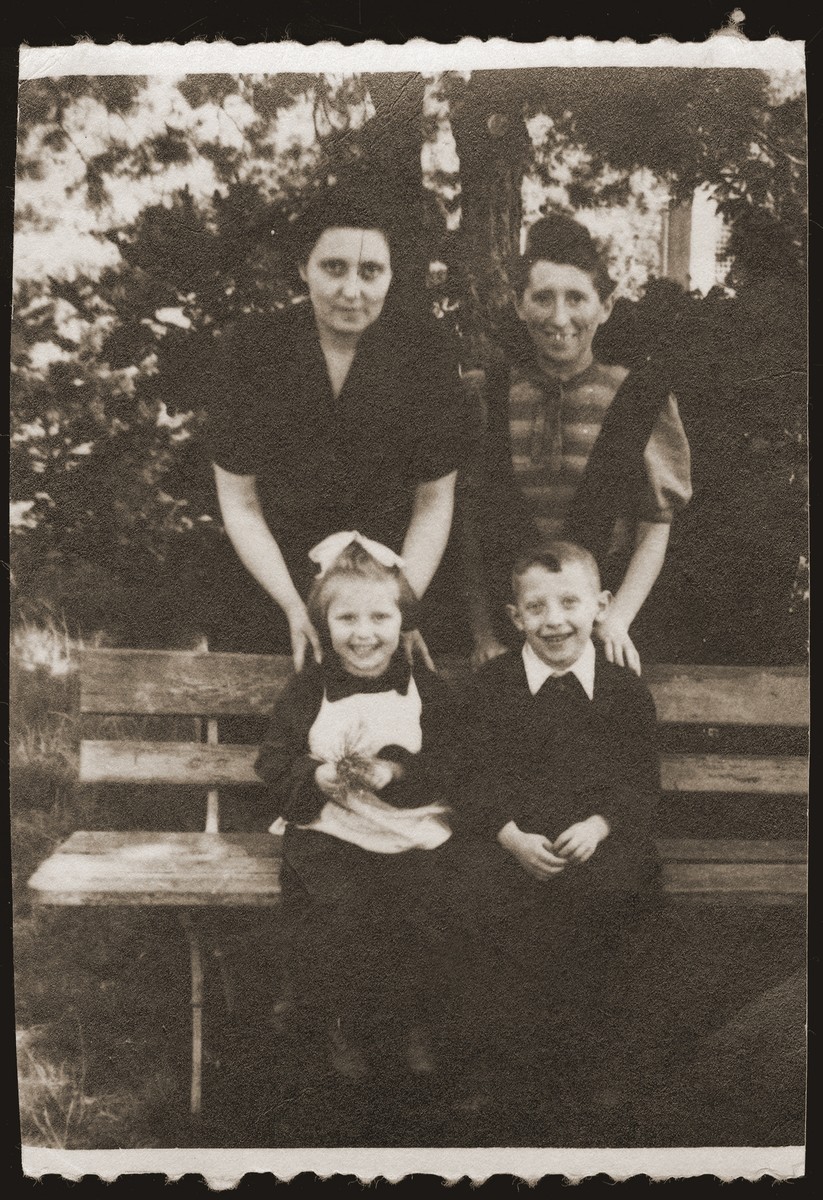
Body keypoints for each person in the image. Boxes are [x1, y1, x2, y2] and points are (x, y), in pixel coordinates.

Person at [208, 170, 466, 668]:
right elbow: (240, 501)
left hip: (392, 602)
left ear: (392, 273)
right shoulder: (251, 350)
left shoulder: (427, 353)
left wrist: (400, 607)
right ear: (304, 268)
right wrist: (291, 605)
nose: (352, 291)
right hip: (272, 593)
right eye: (334, 267)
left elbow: (433, 502)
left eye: (371, 271)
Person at [455, 541, 661, 1109]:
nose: (554, 621)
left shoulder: (623, 691)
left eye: (569, 602)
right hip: (513, 841)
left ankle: (600, 1063)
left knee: (617, 900)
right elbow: (468, 774)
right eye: (537, 608)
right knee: (480, 900)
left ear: (601, 605)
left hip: (598, 842)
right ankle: (498, 1068)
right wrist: (507, 834)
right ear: (515, 616)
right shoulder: (491, 688)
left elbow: (640, 781)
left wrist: (599, 824)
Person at [254, 534, 459, 1080]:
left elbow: (456, 759)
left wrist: (395, 770)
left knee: (426, 911)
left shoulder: (426, 690)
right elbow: (273, 762)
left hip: (409, 827)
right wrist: (316, 775)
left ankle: (414, 1023)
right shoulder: (308, 689)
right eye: (346, 619)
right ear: (324, 623)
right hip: (333, 827)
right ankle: (337, 1023)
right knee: (336, 914)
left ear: (403, 621)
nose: (364, 634)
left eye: (379, 618)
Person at [464, 212, 692, 674]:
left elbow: (655, 525)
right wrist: (483, 634)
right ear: (519, 304)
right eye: (543, 298)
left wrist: (617, 620)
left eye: (576, 298)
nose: (559, 317)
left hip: (605, 628)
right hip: (510, 632)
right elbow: (467, 524)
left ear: (605, 306)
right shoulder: (485, 395)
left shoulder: (638, 397)